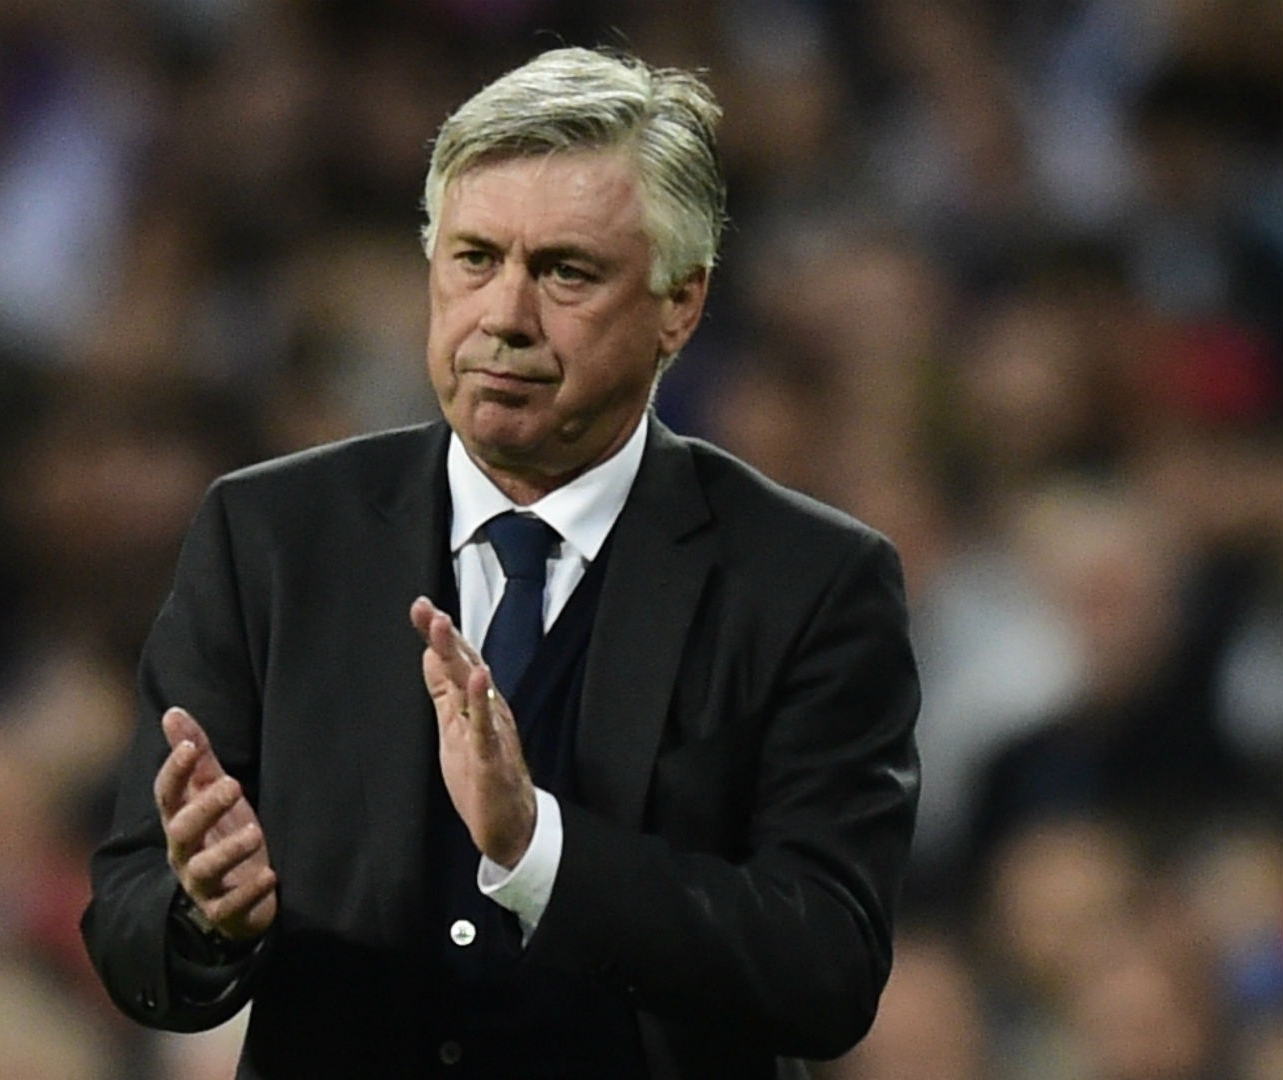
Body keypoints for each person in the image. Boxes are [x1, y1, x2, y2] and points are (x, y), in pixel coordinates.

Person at [81, 46, 920, 1078]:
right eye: (474, 259)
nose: (505, 318)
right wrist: (205, 918)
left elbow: (826, 965)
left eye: (565, 271)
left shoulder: (808, 583)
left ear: (680, 303)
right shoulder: (270, 536)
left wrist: (539, 851)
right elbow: (130, 916)